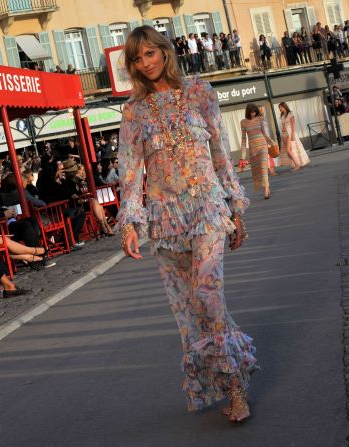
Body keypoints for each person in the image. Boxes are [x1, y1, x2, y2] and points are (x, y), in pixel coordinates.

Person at [117, 26, 257, 423]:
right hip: (167, 222)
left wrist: (235, 208)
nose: (146, 63)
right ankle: (228, 373)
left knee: (210, 292)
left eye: (150, 53)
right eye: (137, 59)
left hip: (208, 209)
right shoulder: (134, 112)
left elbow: (220, 153)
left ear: (164, 51)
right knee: (191, 308)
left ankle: (235, 388)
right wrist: (130, 223)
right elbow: (130, 173)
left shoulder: (200, 92)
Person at [240, 103, 275, 199]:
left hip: (263, 147)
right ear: (248, 112)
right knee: (258, 170)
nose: (253, 114)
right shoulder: (243, 122)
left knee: (264, 167)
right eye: (251, 112)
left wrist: (273, 143)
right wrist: (242, 156)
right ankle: (265, 186)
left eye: (255, 111)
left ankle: (266, 189)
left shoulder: (260, 119)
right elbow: (243, 140)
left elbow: (264, 134)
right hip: (253, 149)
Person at [278, 102, 310, 170]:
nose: (280, 109)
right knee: (290, 150)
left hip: (289, 133)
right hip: (284, 134)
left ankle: (297, 164)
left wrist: (292, 134)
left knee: (288, 150)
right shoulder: (282, 115)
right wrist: (282, 135)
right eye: (279, 107)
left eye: (281, 107)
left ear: (284, 106)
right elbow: (283, 125)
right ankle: (295, 163)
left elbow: (293, 124)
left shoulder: (290, 114)